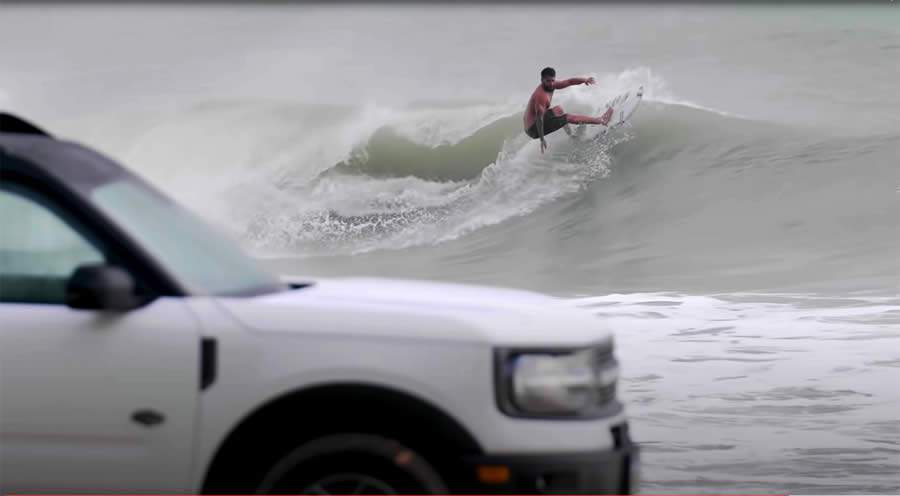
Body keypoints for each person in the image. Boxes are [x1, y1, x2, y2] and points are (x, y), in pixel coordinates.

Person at [524, 67, 614, 153]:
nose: (551, 84)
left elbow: (569, 81)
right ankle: (601, 120)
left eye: (552, 80)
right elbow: (540, 120)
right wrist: (542, 139)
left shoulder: (551, 85)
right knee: (568, 117)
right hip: (534, 129)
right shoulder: (541, 97)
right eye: (548, 81)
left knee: (558, 109)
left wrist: (584, 80)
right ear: (542, 80)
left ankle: (571, 136)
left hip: (534, 122)